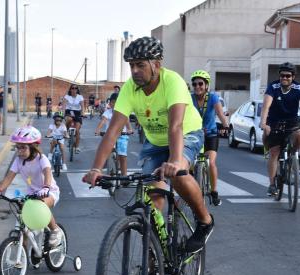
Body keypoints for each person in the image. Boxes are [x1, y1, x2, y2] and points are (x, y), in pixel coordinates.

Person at [84, 36, 214, 254]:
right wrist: (96, 168)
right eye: (131, 66)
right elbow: (113, 131)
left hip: (187, 133)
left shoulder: (172, 82)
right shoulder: (129, 89)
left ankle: (205, 221)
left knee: (178, 171)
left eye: (140, 65)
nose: (135, 71)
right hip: (155, 143)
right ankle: (154, 263)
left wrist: (174, 160)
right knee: (151, 203)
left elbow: (176, 126)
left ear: (156, 64)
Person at [0, 125, 64, 247]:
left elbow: (47, 172)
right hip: (32, 193)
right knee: (23, 220)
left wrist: (46, 187)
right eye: (17, 148)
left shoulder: (41, 158)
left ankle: (55, 230)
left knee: (41, 205)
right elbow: (9, 177)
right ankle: (22, 252)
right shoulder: (18, 160)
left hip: (49, 192)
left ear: (33, 147)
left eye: (23, 148)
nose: (19, 151)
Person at [260, 62, 300, 196]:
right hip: (274, 122)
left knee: (299, 135)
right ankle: (272, 185)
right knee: (274, 152)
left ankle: (294, 157)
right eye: (282, 76)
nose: (284, 78)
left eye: (288, 76)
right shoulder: (273, 87)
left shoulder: (299, 88)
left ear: (293, 77)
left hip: (292, 122)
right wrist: (263, 123)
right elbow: (266, 106)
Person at [190, 69, 230, 206]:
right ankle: (190, 188)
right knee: (189, 163)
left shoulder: (213, 97)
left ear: (206, 85)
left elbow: (220, 113)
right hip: (194, 135)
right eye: (194, 84)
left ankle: (214, 192)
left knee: (211, 162)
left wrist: (226, 126)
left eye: (200, 84)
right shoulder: (189, 98)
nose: (197, 87)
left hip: (211, 135)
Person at [94, 92, 133, 177]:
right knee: (105, 151)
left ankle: (124, 175)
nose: (115, 104)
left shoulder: (123, 112)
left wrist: (129, 129)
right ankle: (105, 164)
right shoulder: (107, 112)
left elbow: (127, 121)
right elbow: (103, 121)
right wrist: (98, 130)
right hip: (110, 136)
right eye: (113, 102)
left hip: (122, 136)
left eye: (117, 102)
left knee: (122, 155)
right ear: (110, 103)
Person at [63, 85, 84, 154]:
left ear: (77, 90)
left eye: (76, 88)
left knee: (77, 130)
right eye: (73, 88)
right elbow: (64, 106)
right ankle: (66, 131)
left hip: (77, 113)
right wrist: (62, 114)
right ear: (70, 89)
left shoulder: (80, 97)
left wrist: (83, 114)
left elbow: (82, 106)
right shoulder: (67, 97)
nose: (74, 89)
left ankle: (77, 147)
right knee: (68, 119)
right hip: (68, 112)